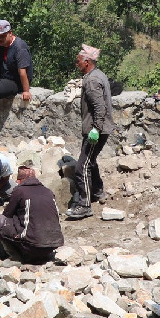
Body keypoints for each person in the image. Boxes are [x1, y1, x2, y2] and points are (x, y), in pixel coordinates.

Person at [66, 45, 113, 220]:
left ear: (86, 62)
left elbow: (99, 107)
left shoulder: (92, 80)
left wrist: (95, 129)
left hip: (97, 130)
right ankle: (98, 191)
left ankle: (84, 205)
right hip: (100, 128)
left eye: (78, 61)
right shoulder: (98, 75)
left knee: (82, 167)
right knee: (90, 161)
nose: (77, 64)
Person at [0, 165, 64, 264]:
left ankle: (17, 256)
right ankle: (43, 255)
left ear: (19, 181)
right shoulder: (48, 191)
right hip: (53, 244)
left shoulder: (20, 190)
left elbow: (7, 215)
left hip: (33, 245)